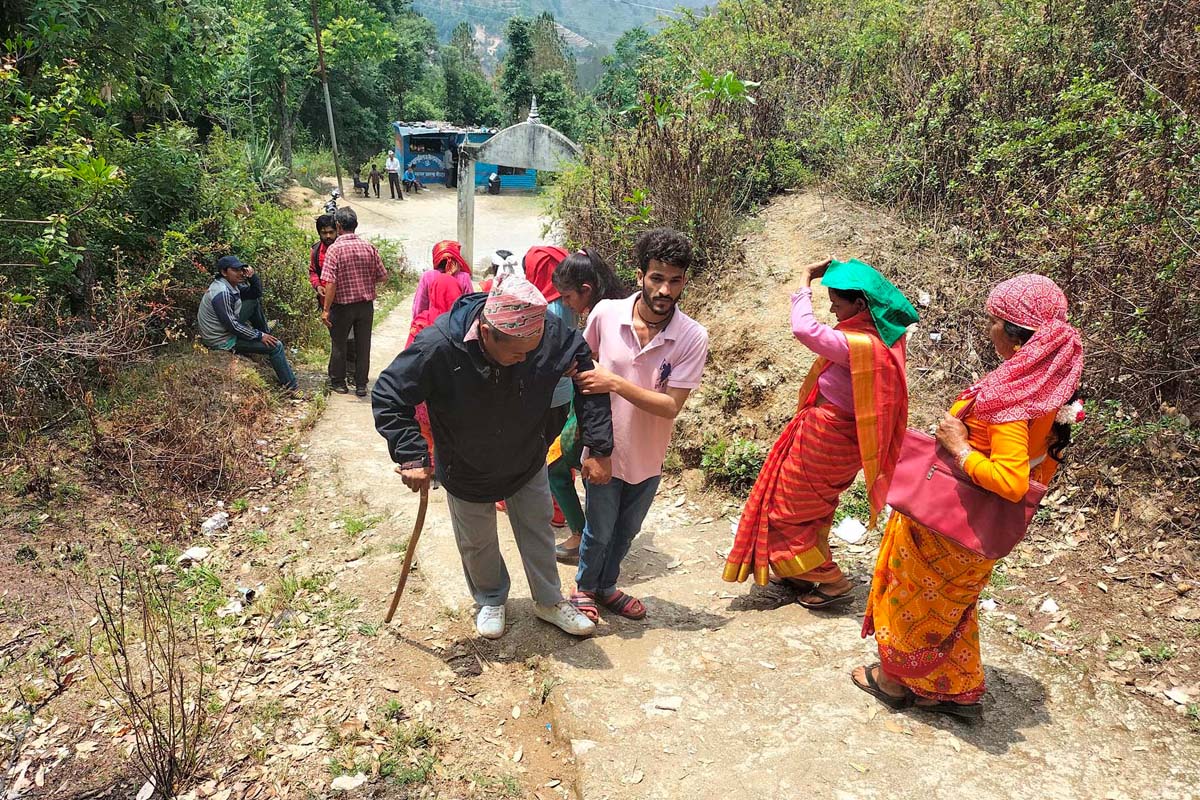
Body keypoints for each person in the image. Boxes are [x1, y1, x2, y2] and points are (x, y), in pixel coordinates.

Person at [854, 274, 1084, 720]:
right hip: (982, 528)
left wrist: (959, 447)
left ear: (1013, 333)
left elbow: (1012, 480)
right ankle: (951, 688)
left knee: (912, 599)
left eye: (993, 321)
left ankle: (893, 682)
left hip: (950, 520)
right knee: (950, 607)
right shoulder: (1051, 386)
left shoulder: (1010, 399)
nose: (989, 329)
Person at [373, 276, 614, 640]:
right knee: (478, 538)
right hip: (465, 460)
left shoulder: (550, 334)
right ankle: (490, 598)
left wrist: (597, 447)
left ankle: (548, 600)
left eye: (532, 351)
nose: (526, 358)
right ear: (486, 332)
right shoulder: (438, 346)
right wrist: (411, 455)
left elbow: (590, 384)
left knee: (537, 527)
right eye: (518, 353)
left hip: (526, 454)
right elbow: (390, 395)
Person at [722, 258, 917, 608]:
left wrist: (804, 281)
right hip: (837, 438)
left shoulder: (861, 347)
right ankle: (799, 569)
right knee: (810, 507)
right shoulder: (884, 340)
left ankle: (830, 580)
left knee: (788, 507)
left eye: (837, 303)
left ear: (860, 304)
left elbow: (805, 330)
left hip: (828, 437)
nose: (831, 309)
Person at [569, 228, 709, 622]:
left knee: (626, 531)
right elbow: (583, 374)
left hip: (648, 456)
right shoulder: (605, 314)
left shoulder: (692, 336)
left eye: (675, 280)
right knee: (598, 530)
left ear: (684, 282)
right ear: (640, 276)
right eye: (657, 278)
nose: (665, 290)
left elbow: (669, 407)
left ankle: (606, 586)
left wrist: (614, 381)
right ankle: (584, 588)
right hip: (603, 450)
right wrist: (588, 444)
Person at [548, 248, 628, 563]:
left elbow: (585, 362)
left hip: (594, 410)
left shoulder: (599, 313)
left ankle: (584, 535)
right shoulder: (625, 306)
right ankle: (598, 534)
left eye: (567, 297)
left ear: (586, 291)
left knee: (556, 467)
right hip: (612, 407)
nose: (565, 304)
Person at [522, 245, 572, 526]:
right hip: (565, 393)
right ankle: (560, 506)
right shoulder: (565, 301)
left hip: (546, 394)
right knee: (557, 449)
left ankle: (552, 508)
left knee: (540, 451)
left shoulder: (546, 307)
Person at [196, 255, 297, 390]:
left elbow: (255, 294)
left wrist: (253, 277)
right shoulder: (222, 292)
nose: (240, 273)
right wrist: (259, 336)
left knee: (253, 302)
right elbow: (232, 326)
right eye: (235, 270)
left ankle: (265, 330)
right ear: (224, 272)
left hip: (224, 330)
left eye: (241, 269)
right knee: (276, 346)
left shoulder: (230, 285)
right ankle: (292, 387)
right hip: (222, 339)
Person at [404, 270, 468, 470]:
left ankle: (429, 464)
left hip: (425, 386)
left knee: (425, 427)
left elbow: (409, 353)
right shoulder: (464, 324)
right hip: (454, 389)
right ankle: (450, 464)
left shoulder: (422, 322)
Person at [321, 207, 388, 397]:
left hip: (342, 307)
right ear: (356, 225)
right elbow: (383, 276)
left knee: (339, 344)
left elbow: (331, 283)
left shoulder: (334, 250)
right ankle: (360, 385)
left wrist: (326, 309)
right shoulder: (369, 247)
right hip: (365, 307)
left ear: (338, 226)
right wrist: (364, 281)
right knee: (363, 345)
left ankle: (339, 383)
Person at [412, 241, 473, 318]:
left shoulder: (427, 276)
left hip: (432, 324)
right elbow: (470, 305)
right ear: (456, 259)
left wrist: (418, 322)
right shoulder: (464, 277)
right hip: (456, 324)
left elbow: (419, 306)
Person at [308, 214, 338, 310]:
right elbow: (313, 271)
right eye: (324, 233)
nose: (328, 236)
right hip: (326, 302)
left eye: (331, 232)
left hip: (345, 301)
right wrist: (317, 286)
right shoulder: (316, 250)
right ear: (319, 233)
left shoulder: (344, 248)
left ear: (337, 230)